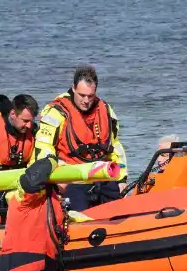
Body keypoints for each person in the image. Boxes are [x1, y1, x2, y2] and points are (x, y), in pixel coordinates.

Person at [32, 66, 128, 212]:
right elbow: (43, 149)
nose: (86, 100)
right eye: (82, 95)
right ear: (73, 88)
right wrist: (55, 178)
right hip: (72, 179)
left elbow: (115, 147)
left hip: (103, 177)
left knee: (120, 214)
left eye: (90, 96)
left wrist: (122, 179)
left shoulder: (106, 110)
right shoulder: (56, 113)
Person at [0, 154, 66, 271]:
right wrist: (54, 160)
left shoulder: (53, 201)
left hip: (43, 267)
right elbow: (31, 180)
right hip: (23, 266)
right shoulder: (24, 196)